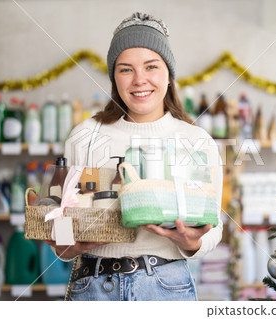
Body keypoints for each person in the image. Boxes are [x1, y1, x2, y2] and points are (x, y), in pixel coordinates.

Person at [45, 12, 223, 301]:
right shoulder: (85, 135)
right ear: (115, 77)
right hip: (92, 287)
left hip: (166, 287)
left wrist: (191, 242)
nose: (139, 80)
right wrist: (66, 246)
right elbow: (62, 213)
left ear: (169, 74)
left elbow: (214, 225)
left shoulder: (195, 140)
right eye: (126, 69)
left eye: (151, 66)